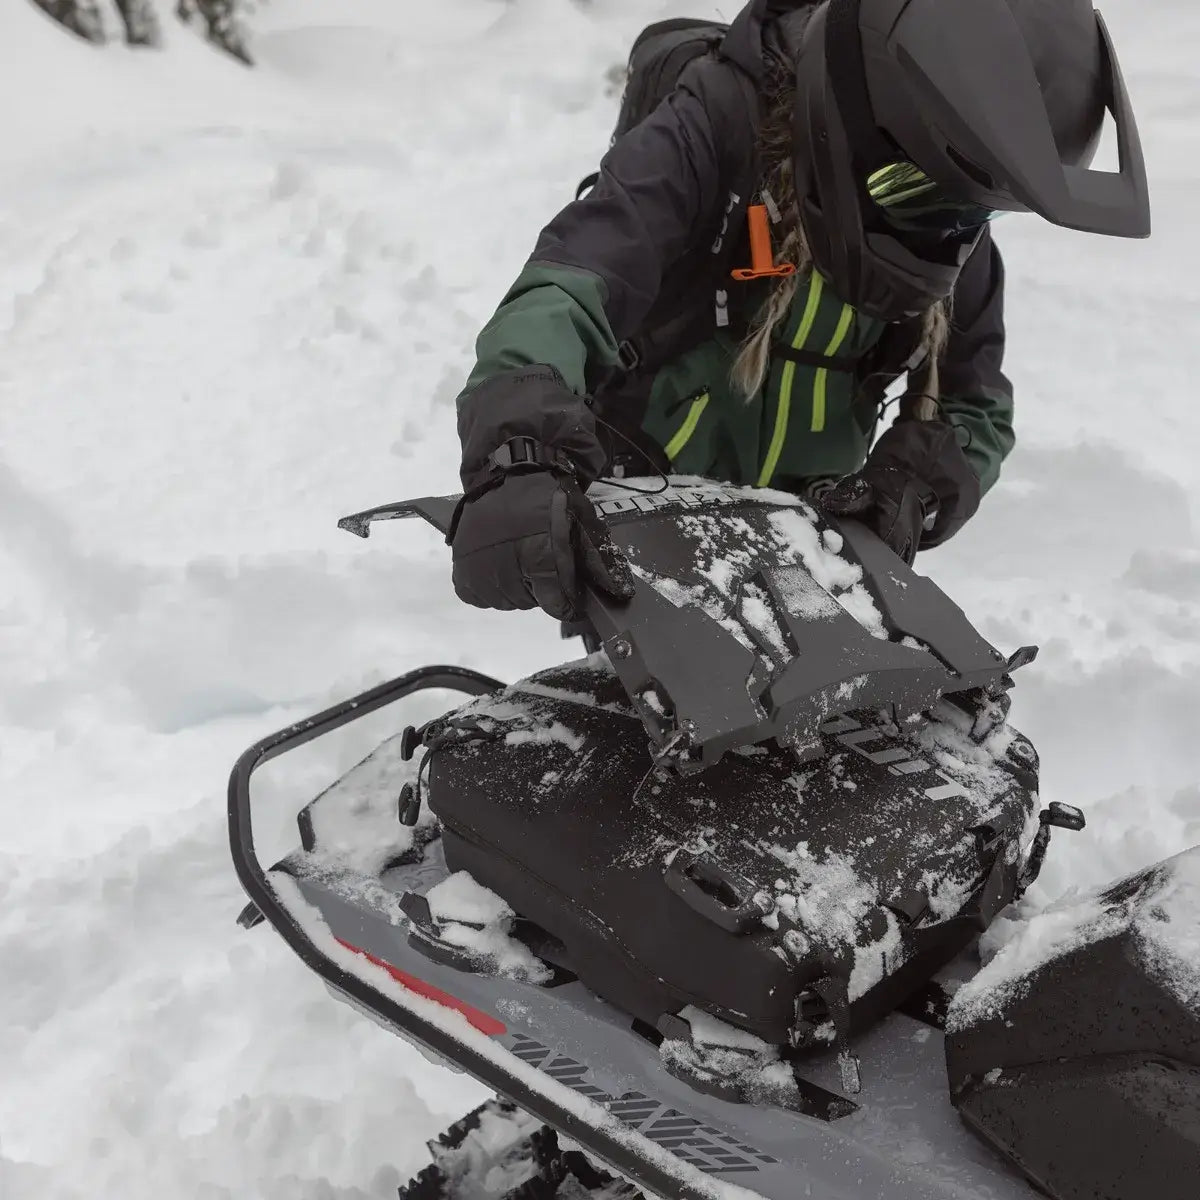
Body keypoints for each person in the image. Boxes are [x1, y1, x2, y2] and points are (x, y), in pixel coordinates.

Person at [448, 0, 1149, 622]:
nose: (950, 227)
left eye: (972, 207)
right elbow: (568, 286)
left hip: (813, 554)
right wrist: (521, 452)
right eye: (913, 190)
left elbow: (978, 404)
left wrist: (917, 484)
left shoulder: (944, 193)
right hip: (642, 521)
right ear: (876, 122)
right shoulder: (717, 122)